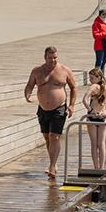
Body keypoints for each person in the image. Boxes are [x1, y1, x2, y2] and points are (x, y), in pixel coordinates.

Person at [25, 46, 78, 179]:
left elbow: (73, 88)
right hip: (42, 108)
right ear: (45, 57)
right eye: (50, 58)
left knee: (54, 136)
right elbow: (30, 85)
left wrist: (71, 105)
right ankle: (52, 162)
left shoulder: (64, 70)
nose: (53, 60)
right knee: (47, 137)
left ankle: (53, 166)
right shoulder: (37, 71)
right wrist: (28, 94)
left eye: (55, 57)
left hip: (59, 108)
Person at [82, 68, 106, 169]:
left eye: (92, 78)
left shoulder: (98, 87)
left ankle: (97, 167)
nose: (90, 80)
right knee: (100, 144)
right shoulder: (105, 88)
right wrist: (104, 112)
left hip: (95, 116)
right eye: (90, 78)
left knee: (96, 144)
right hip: (100, 116)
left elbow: (84, 99)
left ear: (98, 77)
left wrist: (91, 110)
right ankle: (101, 167)